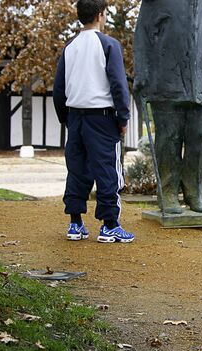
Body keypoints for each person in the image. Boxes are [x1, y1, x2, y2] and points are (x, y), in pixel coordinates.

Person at [53, 0, 134, 243]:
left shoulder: (70, 46)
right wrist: (123, 117)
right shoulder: (109, 45)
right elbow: (118, 84)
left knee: (76, 169)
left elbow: (59, 88)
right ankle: (110, 224)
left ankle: (75, 223)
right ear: (100, 15)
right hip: (101, 117)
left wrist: (65, 118)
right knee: (108, 170)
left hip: (75, 116)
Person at [133, 0, 202, 214]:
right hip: (166, 79)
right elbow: (143, 33)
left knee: (200, 137)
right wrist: (141, 71)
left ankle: (194, 192)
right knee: (168, 137)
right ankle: (168, 193)